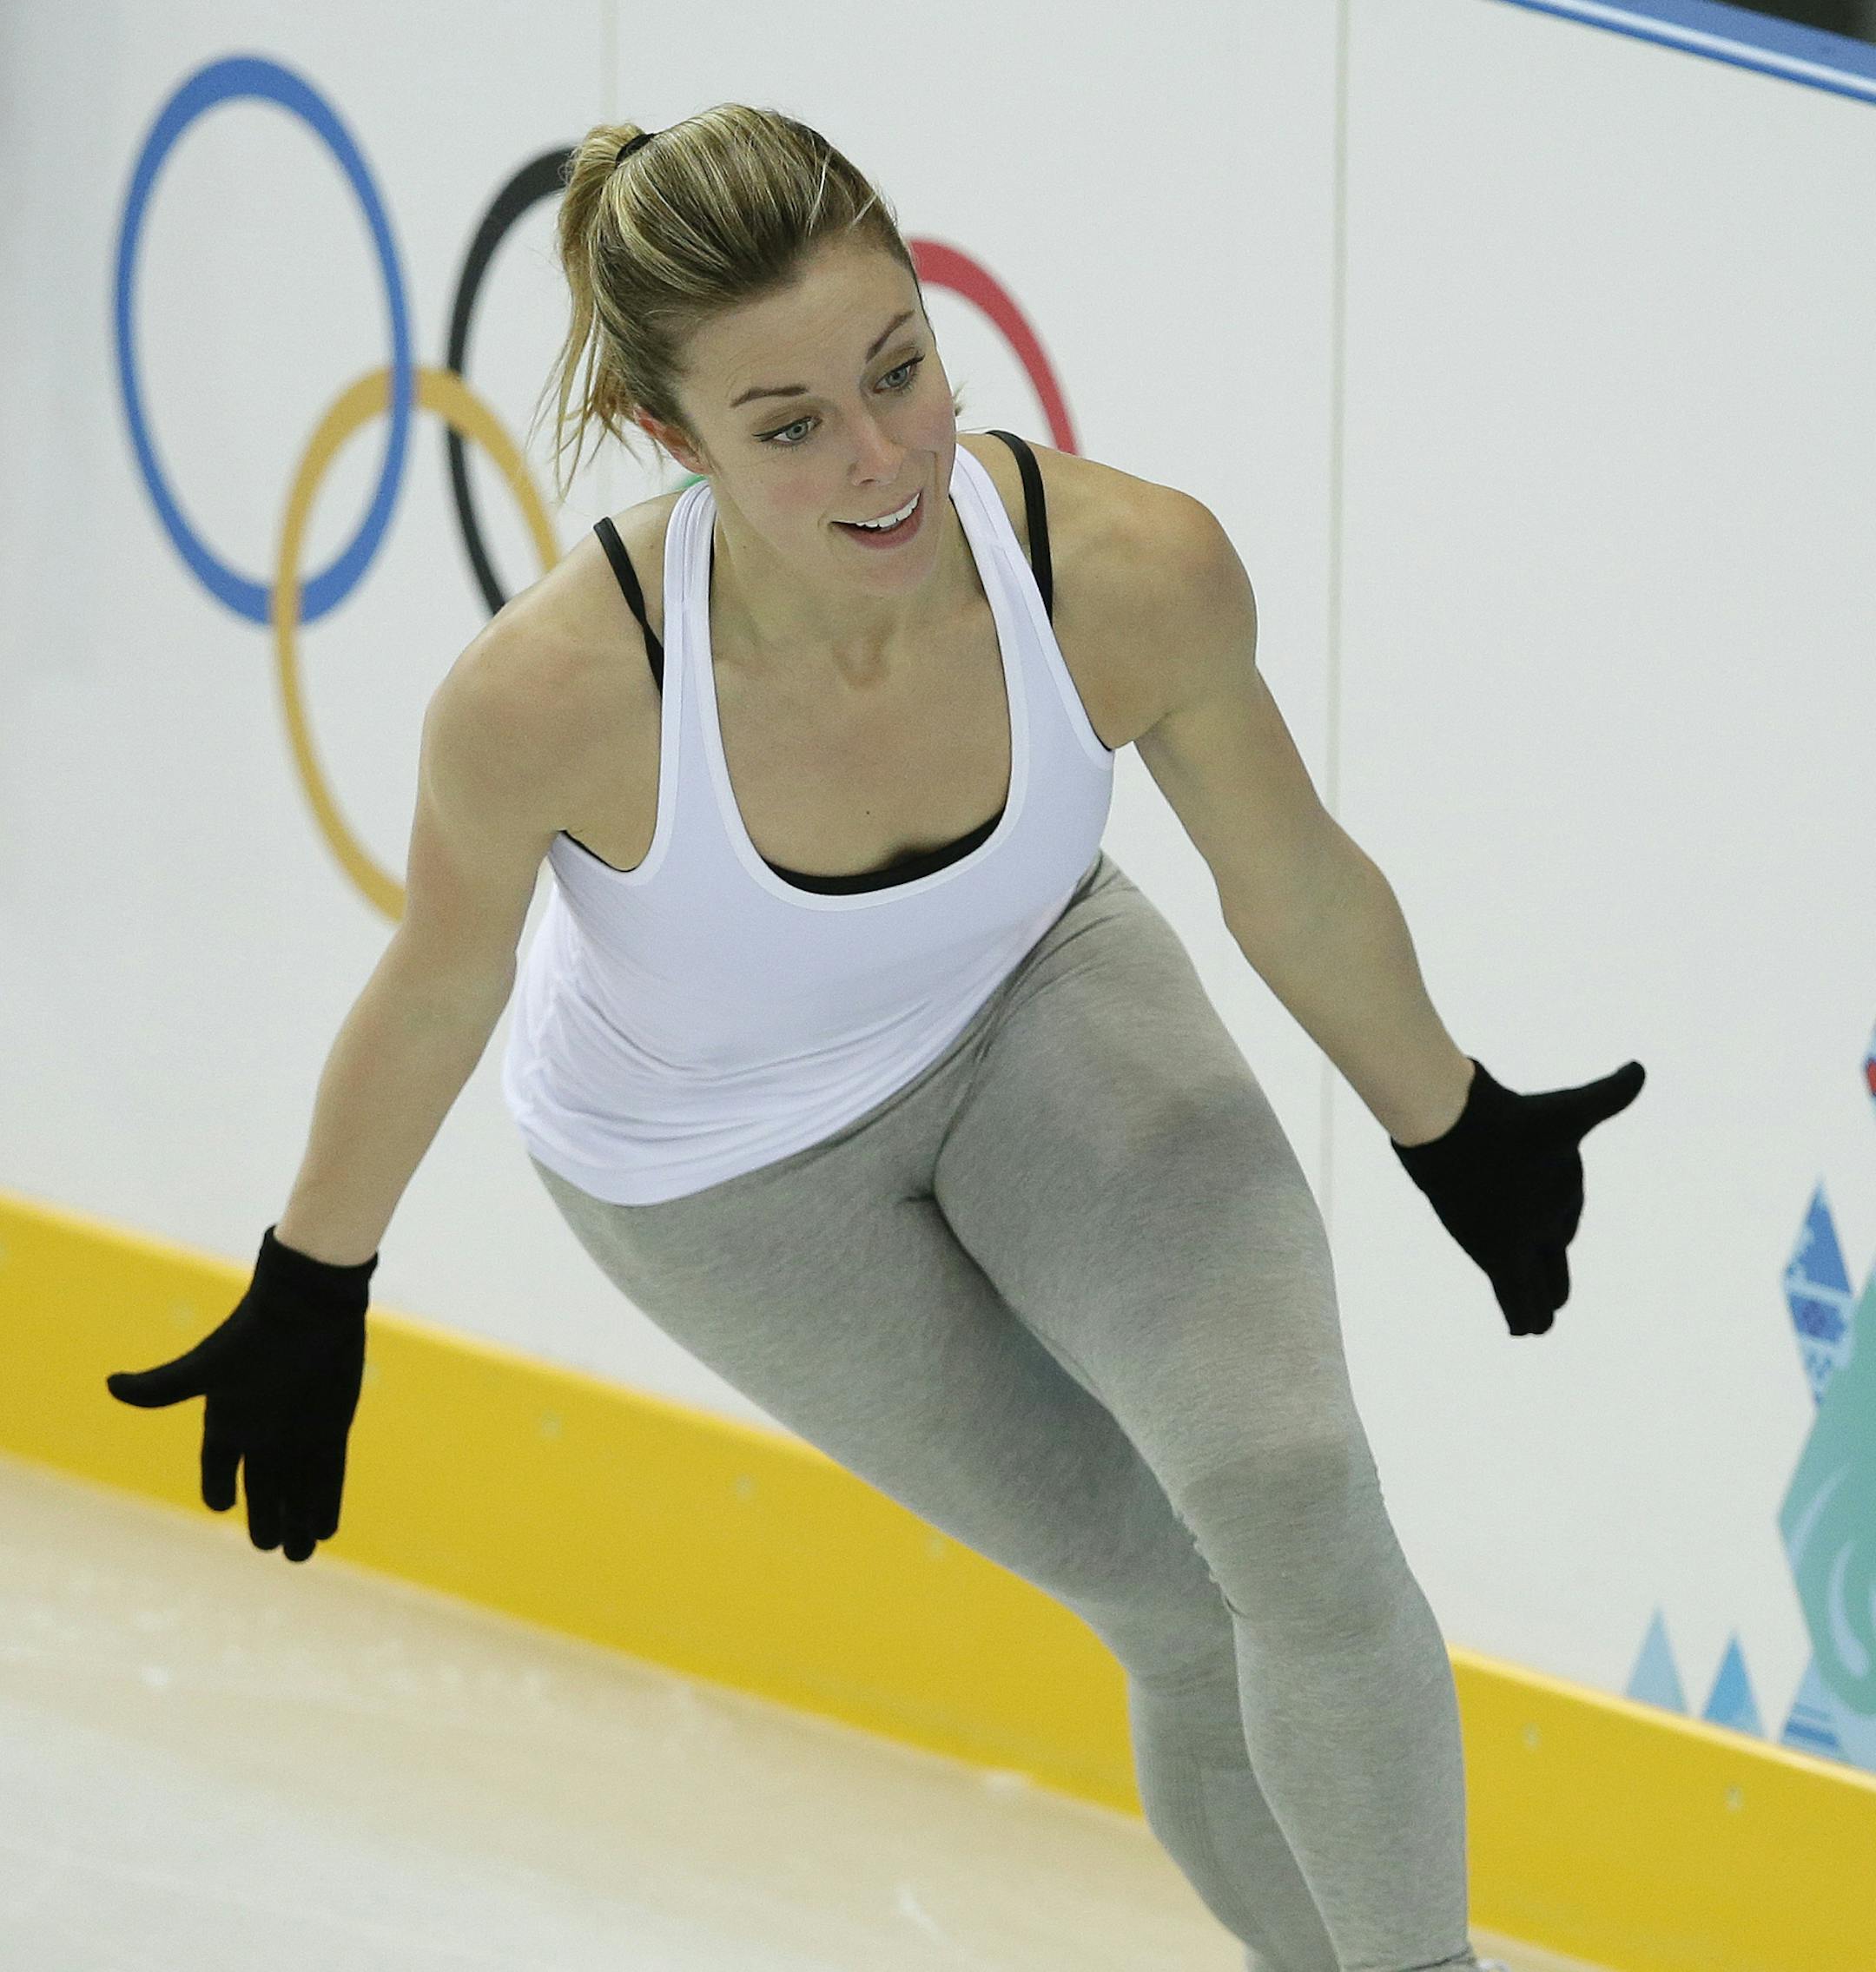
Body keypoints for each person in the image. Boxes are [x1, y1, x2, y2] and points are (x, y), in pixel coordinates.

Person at [109, 103, 1642, 1972]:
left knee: (1289, 1489)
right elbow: (439, 982)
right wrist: (311, 1278)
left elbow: (1294, 882)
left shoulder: (1129, 568)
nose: (888, 455)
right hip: (717, 1172)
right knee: (1170, 1590)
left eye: (899, 367)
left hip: (1040, 995)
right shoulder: (551, 698)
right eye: (792, 425)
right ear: (673, 440)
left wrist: (1454, 1119)